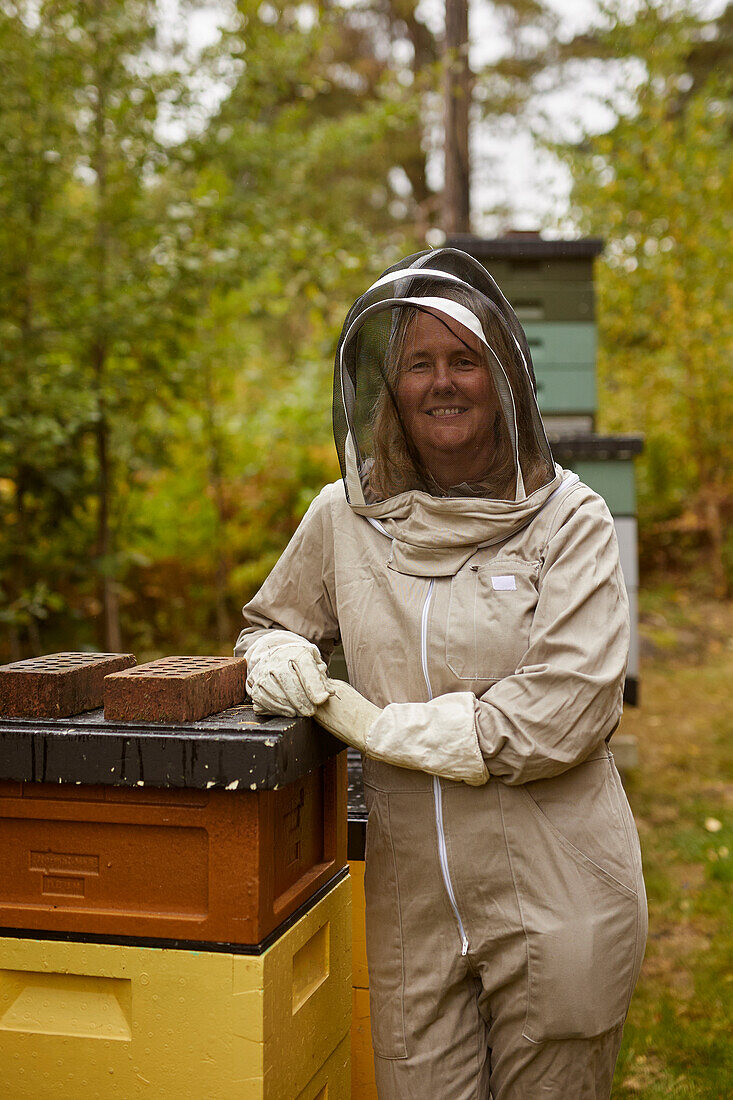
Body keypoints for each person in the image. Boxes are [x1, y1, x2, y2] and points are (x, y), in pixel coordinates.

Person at [235, 247, 648, 1099]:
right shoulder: (344, 515)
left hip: (560, 891)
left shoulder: (570, 520)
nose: (443, 381)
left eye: (464, 359)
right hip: (412, 905)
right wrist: (277, 655)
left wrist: (366, 723)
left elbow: (558, 714)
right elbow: (272, 620)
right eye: (419, 363)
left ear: (503, 379)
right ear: (389, 389)